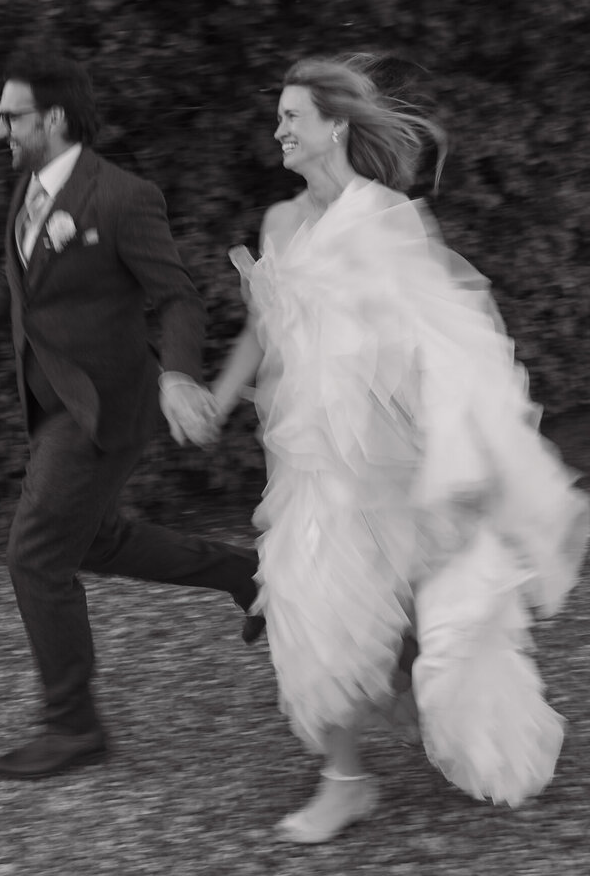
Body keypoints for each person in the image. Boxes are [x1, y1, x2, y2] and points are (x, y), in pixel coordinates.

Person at [207, 54, 589, 843]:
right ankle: (345, 778)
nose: (277, 129)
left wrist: (463, 455)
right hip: (311, 458)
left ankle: (434, 715)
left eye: (292, 116)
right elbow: (262, 326)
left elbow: (441, 342)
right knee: (309, 601)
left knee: (421, 614)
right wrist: (214, 397)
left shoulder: (382, 216)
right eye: (278, 116)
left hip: (389, 458)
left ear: (335, 126)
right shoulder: (280, 223)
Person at [0, 42, 262, 780]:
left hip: (106, 403)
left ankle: (73, 728)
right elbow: (17, 284)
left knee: (36, 554)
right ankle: (251, 573)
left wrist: (178, 376)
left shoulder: (121, 195)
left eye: (11, 117)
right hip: (49, 402)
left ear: (52, 116)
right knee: (95, 541)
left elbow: (176, 295)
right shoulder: (28, 188)